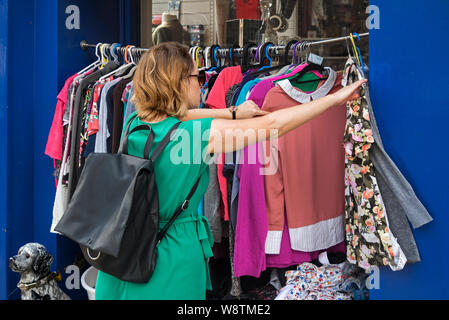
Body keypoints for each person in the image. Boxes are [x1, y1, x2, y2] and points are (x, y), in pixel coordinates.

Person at [94, 41, 366, 300]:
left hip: (125, 251)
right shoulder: (196, 135)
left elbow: (175, 115)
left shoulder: (136, 122)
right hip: (167, 258)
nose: (200, 84)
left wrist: (232, 113)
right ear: (179, 83)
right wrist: (333, 100)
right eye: (196, 77)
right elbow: (274, 124)